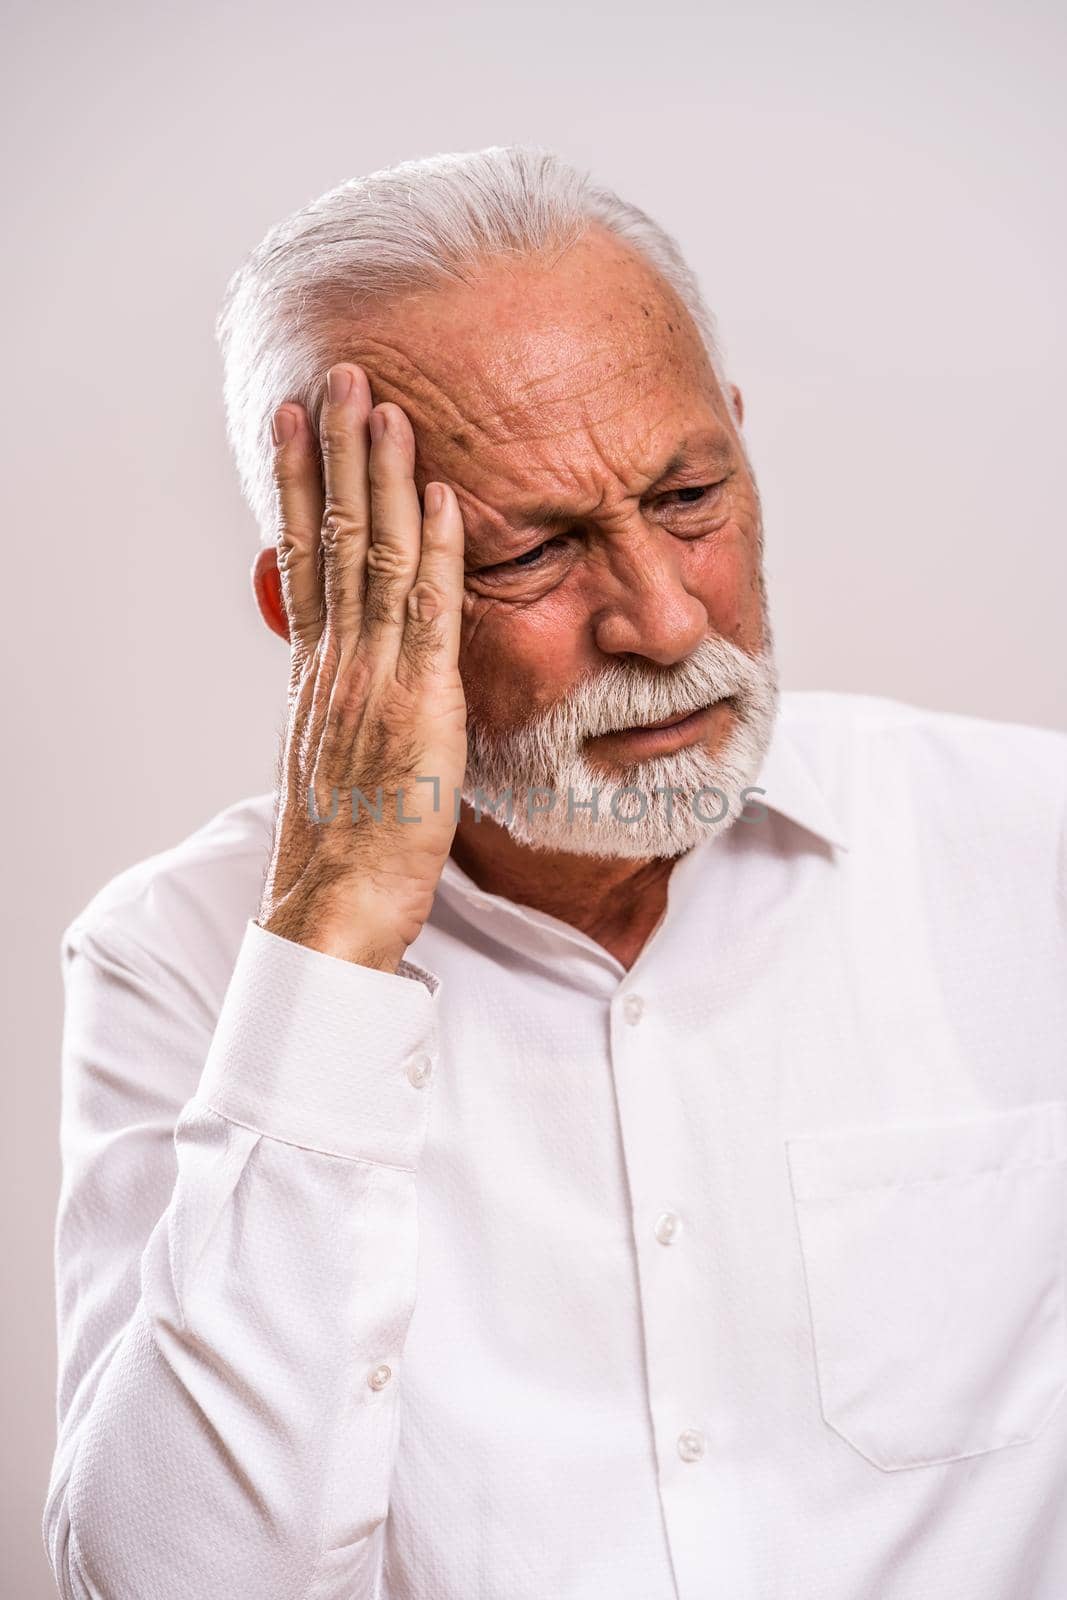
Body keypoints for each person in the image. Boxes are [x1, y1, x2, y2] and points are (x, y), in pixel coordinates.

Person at [43, 146, 1067, 1600]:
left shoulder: (1035, 849)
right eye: (534, 553)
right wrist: (330, 946)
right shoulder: (177, 959)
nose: (660, 615)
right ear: (316, 606)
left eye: (690, 495)